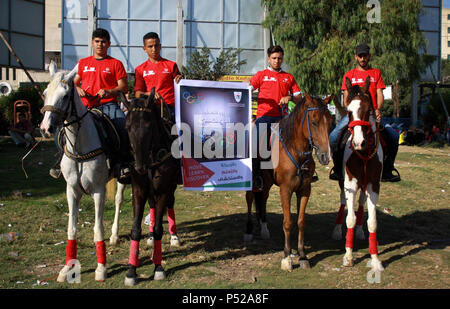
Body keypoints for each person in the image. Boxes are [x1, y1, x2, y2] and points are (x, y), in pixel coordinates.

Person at [49, 28, 131, 182]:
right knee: (60, 131)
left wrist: (109, 91)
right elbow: (71, 83)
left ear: (109, 44)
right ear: (92, 43)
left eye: (103, 42)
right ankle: (60, 161)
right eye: (97, 42)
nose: (100, 45)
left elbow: (124, 87)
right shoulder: (83, 63)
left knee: (123, 127)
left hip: (109, 106)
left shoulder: (115, 64)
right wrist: (78, 88)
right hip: (85, 108)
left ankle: (123, 163)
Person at [329, 44, 400, 182]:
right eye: (360, 56)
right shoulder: (349, 75)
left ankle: (387, 169)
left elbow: (380, 93)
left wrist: (378, 109)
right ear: (356, 57)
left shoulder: (376, 73)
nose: (362, 58)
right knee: (333, 137)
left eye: (365, 56)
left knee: (393, 136)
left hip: (372, 114)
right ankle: (337, 169)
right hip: (354, 115)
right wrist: (353, 109)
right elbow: (345, 98)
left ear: (369, 56)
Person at [245, 45, 302, 190]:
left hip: (283, 119)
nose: (277, 61)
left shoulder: (288, 77)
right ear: (269, 59)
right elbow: (247, 89)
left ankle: (305, 171)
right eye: (274, 58)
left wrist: (289, 97)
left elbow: (299, 99)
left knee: (302, 139)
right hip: (264, 117)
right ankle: (257, 177)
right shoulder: (261, 75)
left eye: (280, 58)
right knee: (256, 145)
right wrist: (244, 86)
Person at [134, 32, 182, 121]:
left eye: (156, 46)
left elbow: (181, 87)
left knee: (184, 129)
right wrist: (149, 94)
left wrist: (181, 80)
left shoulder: (172, 65)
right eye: (150, 46)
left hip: (170, 108)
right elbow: (137, 94)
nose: (154, 49)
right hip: (150, 108)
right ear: (144, 49)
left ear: (160, 46)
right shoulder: (140, 69)